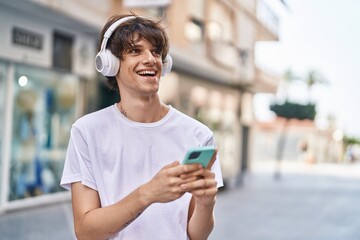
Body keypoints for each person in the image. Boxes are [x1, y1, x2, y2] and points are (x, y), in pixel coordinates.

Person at [60, 13, 223, 240]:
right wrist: (148, 194)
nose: (151, 59)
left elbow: (197, 235)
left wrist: (206, 204)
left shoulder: (198, 134)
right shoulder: (87, 132)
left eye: (156, 52)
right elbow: (86, 232)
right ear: (110, 63)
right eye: (135, 51)